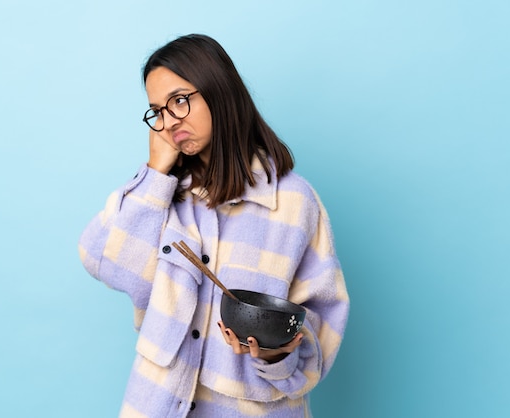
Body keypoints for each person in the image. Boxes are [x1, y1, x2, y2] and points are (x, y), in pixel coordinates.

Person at [78, 33, 349, 418]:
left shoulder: (293, 203)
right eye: (157, 111)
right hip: (155, 405)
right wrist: (155, 174)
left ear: (218, 92)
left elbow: (320, 328)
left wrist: (277, 354)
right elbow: (108, 265)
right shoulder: (160, 197)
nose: (169, 121)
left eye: (179, 101)